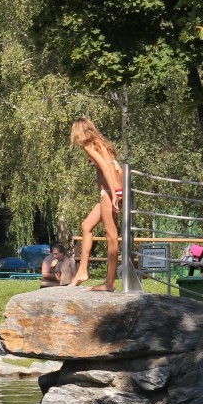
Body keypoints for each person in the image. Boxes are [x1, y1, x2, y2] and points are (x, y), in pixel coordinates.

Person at [68, 118, 122, 291]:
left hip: (109, 192)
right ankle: (82, 271)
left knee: (111, 236)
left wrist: (113, 195)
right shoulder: (103, 143)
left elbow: (106, 170)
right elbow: (117, 168)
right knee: (86, 225)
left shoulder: (89, 146)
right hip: (113, 190)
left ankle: (110, 283)